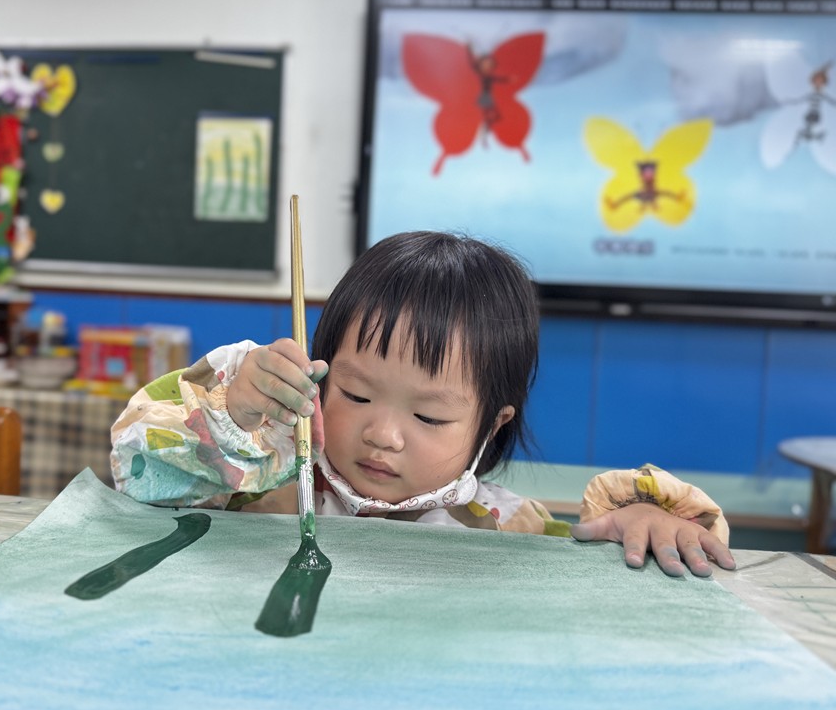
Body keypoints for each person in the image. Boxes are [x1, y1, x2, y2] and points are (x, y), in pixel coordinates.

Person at [110, 231, 735, 577]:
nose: (383, 434)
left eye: (430, 416)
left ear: (492, 424)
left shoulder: (507, 528)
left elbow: (596, 578)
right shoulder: (258, 481)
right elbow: (141, 473)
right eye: (355, 394)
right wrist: (234, 414)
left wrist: (646, 524)